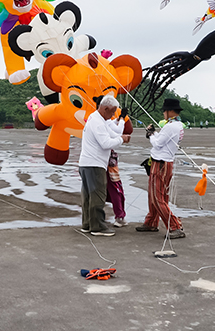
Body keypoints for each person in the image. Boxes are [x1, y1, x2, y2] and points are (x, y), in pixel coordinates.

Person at [79, 95, 129, 237]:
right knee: (97, 196)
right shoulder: (98, 122)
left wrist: (120, 137)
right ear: (105, 108)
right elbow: (106, 143)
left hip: (87, 163)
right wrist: (121, 139)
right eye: (112, 112)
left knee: (88, 196)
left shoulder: (96, 119)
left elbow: (113, 134)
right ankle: (97, 227)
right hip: (94, 164)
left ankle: (87, 224)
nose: (113, 115)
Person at [137, 98, 185, 238]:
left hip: (161, 164)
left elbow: (157, 144)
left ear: (170, 111)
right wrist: (153, 133)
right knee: (156, 195)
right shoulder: (176, 125)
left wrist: (151, 135)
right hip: (164, 163)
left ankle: (175, 227)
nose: (163, 113)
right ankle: (151, 222)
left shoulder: (171, 126)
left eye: (164, 110)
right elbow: (163, 140)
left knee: (157, 197)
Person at [106, 150, 127, 227]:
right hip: (108, 165)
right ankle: (120, 216)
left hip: (99, 163)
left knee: (98, 192)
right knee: (116, 191)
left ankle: (95, 217)